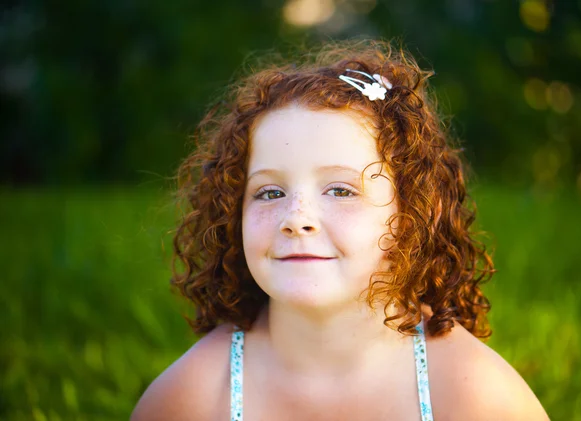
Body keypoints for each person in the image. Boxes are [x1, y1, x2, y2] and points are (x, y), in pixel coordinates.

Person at [131, 40, 549, 421]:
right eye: (270, 191)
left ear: (411, 214)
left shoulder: (471, 394)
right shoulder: (194, 397)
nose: (297, 217)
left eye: (340, 190)